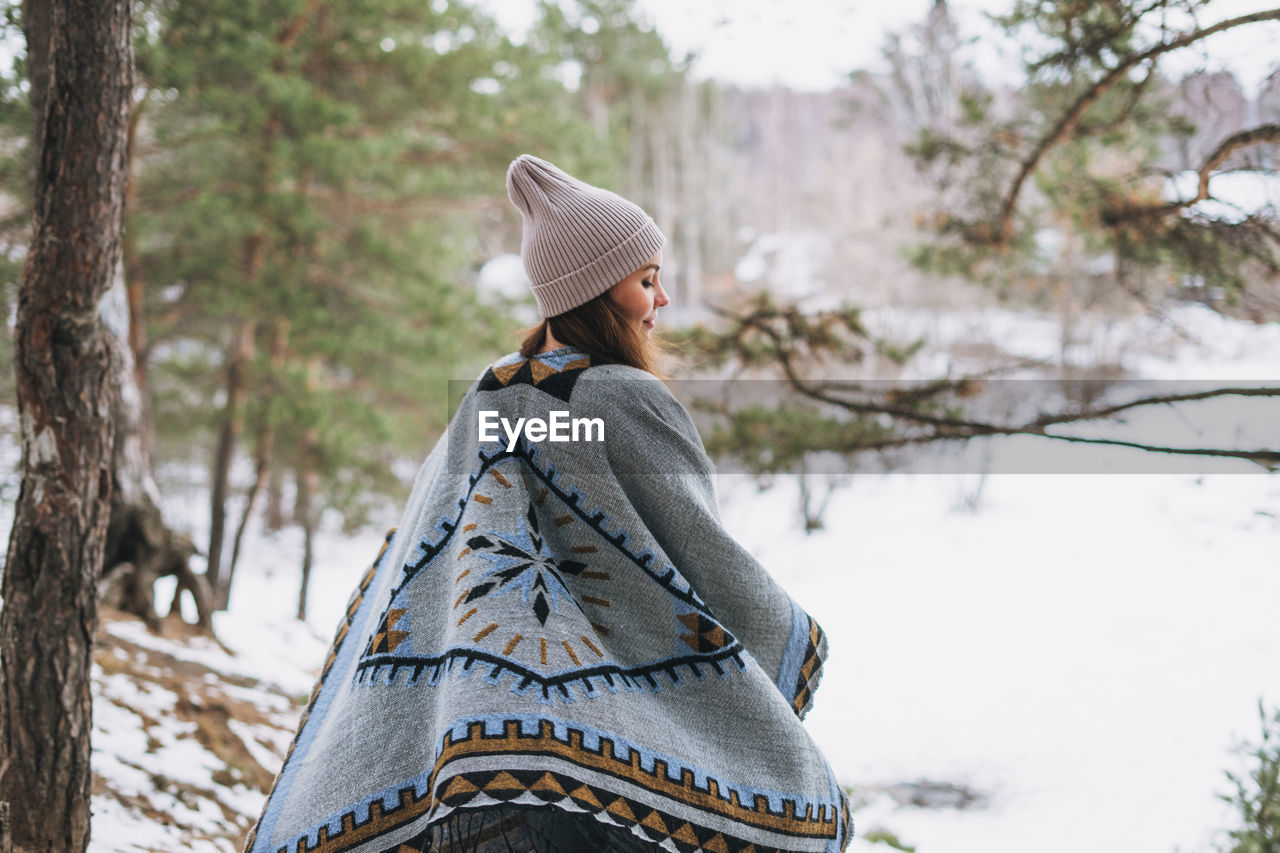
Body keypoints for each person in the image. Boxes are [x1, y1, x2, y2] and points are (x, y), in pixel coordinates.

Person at [244, 156, 852, 853]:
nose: (661, 301)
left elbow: (428, 544)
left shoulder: (489, 393)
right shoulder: (627, 399)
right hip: (602, 743)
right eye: (646, 281)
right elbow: (698, 556)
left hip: (477, 728)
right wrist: (790, 632)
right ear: (596, 291)